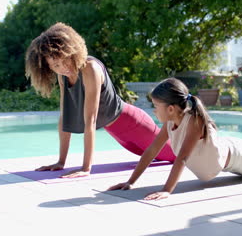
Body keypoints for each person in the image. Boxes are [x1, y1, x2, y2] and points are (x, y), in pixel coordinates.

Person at [108, 78, 242, 200]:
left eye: (156, 106)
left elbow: (181, 158)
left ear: (171, 109)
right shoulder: (171, 123)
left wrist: (166, 190)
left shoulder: (193, 122)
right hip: (228, 157)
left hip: (237, 158)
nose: (154, 111)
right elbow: (151, 150)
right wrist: (130, 182)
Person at [25, 22, 176, 178]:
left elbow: (90, 120)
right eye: (56, 65)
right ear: (48, 67)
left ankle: (197, 135)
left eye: (65, 59)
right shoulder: (63, 77)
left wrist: (86, 168)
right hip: (119, 134)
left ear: (72, 51)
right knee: (158, 157)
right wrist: (60, 162)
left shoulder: (90, 68)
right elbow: (65, 117)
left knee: (177, 155)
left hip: (134, 125)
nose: (63, 67)